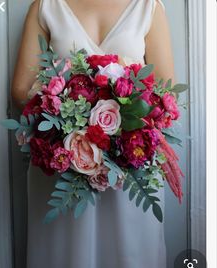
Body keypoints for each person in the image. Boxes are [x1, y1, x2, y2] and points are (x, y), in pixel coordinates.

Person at [11, 1, 175, 267]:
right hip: (64, 163)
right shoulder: (46, 6)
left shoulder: (148, 7)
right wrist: (70, 118)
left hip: (128, 170)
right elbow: (20, 91)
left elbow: (166, 93)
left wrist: (120, 121)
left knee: (130, 253)